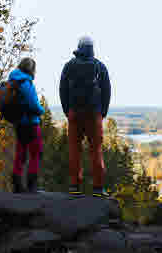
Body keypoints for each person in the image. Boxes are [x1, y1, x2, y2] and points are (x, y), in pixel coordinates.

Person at [59, 36, 111, 198]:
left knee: (74, 150)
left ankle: (75, 186)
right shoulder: (99, 66)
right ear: (92, 48)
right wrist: (102, 113)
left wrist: (67, 111)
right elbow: (107, 91)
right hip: (94, 114)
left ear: (79, 47)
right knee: (95, 151)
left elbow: (62, 90)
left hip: (74, 113)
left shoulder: (69, 66)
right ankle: (98, 188)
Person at [8, 57, 45, 193]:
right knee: (36, 152)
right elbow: (33, 105)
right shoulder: (26, 82)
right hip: (30, 123)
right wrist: (42, 111)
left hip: (18, 123)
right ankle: (31, 185)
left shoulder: (13, 80)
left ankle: (17, 184)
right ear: (31, 69)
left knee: (20, 152)